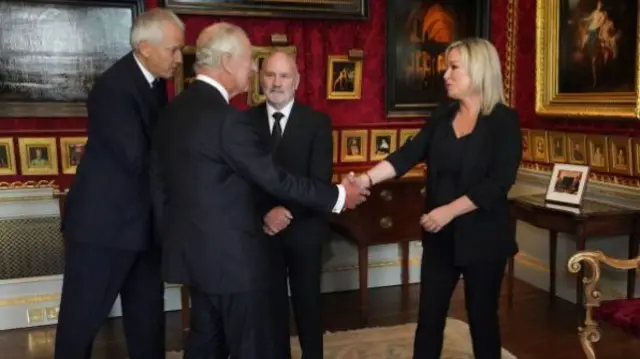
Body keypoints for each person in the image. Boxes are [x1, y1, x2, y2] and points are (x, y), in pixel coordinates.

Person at [150, 22, 368, 359]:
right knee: (253, 346)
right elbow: (275, 179)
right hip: (233, 262)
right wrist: (339, 195)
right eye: (251, 60)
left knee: (206, 341)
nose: (254, 69)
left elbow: (163, 183)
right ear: (226, 61)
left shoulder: (174, 110)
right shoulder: (228, 120)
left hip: (196, 256)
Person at [351, 37, 522, 359]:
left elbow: (498, 183)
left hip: (484, 239)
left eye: (454, 67)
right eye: (447, 67)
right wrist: (364, 179)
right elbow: (407, 155)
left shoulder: (503, 121)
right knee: (429, 320)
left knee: (483, 321)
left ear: (479, 70)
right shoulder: (442, 117)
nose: (446, 74)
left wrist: (448, 211)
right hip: (440, 238)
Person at [54, 9, 184, 359]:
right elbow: (139, 158)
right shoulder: (113, 88)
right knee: (80, 325)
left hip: (141, 227)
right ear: (144, 47)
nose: (178, 58)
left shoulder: (155, 84)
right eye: (172, 50)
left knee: (148, 323)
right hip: (104, 230)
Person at [247, 51, 332, 359]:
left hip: (305, 231)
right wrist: (265, 214)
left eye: (284, 76)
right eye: (270, 75)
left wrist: (288, 213)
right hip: (263, 232)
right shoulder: (245, 122)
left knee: (308, 306)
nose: (277, 82)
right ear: (260, 79)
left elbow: (319, 181)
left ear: (296, 81)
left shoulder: (317, 123)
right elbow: (242, 181)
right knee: (270, 310)